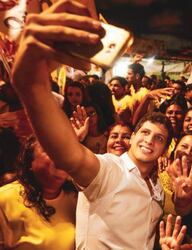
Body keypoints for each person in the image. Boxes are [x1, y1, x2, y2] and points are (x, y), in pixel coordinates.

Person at [10, 1, 175, 248]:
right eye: (145, 132)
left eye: (159, 138)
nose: (150, 140)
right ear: (133, 136)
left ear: (165, 149)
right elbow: (70, 157)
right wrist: (32, 86)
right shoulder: (109, 171)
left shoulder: (156, 186)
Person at [0, 137, 77, 249]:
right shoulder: (5, 199)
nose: (59, 157)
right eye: (49, 150)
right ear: (29, 161)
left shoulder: (76, 197)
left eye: (63, 151)